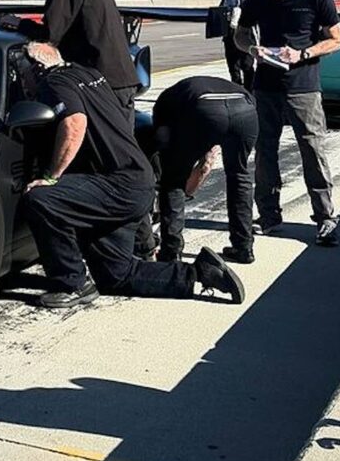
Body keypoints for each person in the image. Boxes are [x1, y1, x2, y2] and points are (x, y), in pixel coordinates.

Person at [17, 42, 245, 308]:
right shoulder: (87, 74)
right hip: (136, 181)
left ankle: (71, 284)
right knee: (116, 276)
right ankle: (200, 273)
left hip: (116, 184)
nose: (23, 83)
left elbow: (75, 123)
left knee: (42, 198)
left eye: (23, 75)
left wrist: (52, 176)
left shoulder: (53, 82)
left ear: (38, 68)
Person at [234, 0, 340, 246]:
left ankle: (325, 218)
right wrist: (252, 49)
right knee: (265, 153)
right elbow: (240, 36)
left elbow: (337, 39)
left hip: (304, 87)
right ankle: (268, 216)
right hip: (266, 87)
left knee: (312, 150)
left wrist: (304, 53)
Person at [0, 0, 140, 120]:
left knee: (104, 144)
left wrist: (19, 24)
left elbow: (50, 35)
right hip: (120, 77)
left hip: (103, 83)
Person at [152, 76, 259, 264]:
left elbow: (163, 140)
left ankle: (171, 251)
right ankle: (244, 247)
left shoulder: (165, 103)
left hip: (204, 109)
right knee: (239, 175)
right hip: (245, 109)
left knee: (174, 180)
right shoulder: (182, 92)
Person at [220, 0, 256, 89]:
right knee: (233, 67)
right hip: (230, 36)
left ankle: (249, 92)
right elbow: (220, 13)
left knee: (247, 66)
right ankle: (237, 90)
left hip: (248, 36)